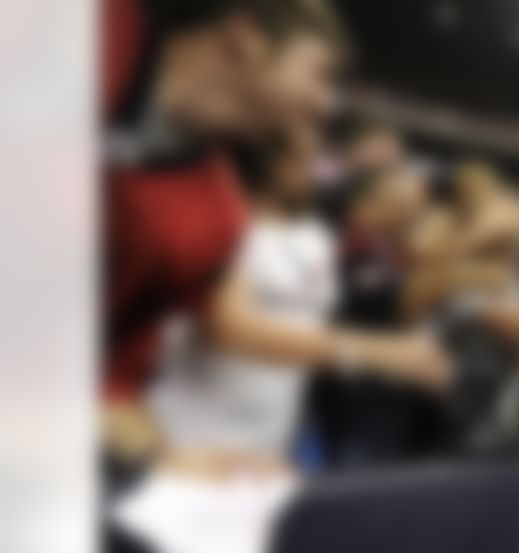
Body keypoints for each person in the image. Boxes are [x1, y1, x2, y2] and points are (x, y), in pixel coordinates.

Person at [103, 0, 347, 469]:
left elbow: (111, 369)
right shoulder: (89, 29)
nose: (327, 104)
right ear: (247, 38)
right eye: (320, 74)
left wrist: (164, 459)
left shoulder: (217, 220)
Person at [146, 125, 452, 466]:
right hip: (184, 438)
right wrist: (371, 352)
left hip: (266, 449)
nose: (317, 167)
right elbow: (229, 326)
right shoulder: (224, 221)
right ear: (272, 161)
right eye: (305, 158)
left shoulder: (315, 236)